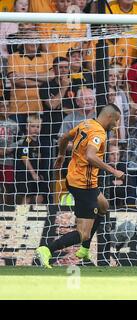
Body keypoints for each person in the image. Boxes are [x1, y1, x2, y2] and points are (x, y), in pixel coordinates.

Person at [35, 104, 124, 268]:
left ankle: (84, 249)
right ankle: (46, 250)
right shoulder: (98, 133)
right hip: (84, 185)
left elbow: (64, 138)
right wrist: (113, 170)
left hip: (73, 176)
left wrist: (61, 154)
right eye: (116, 121)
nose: (116, 125)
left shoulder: (86, 123)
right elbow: (91, 155)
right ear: (109, 117)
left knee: (103, 205)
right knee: (83, 233)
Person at [15, 114, 48, 204]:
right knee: (27, 196)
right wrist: (33, 173)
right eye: (32, 126)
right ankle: (22, 217)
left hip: (36, 174)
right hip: (26, 173)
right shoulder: (26, 141)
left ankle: (37, 217)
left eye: (38, 126)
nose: (35, 129)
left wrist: (40, 173)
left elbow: (39, 159)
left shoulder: (38, 142)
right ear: (27, 126)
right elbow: (24, 158)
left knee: (39, 197)